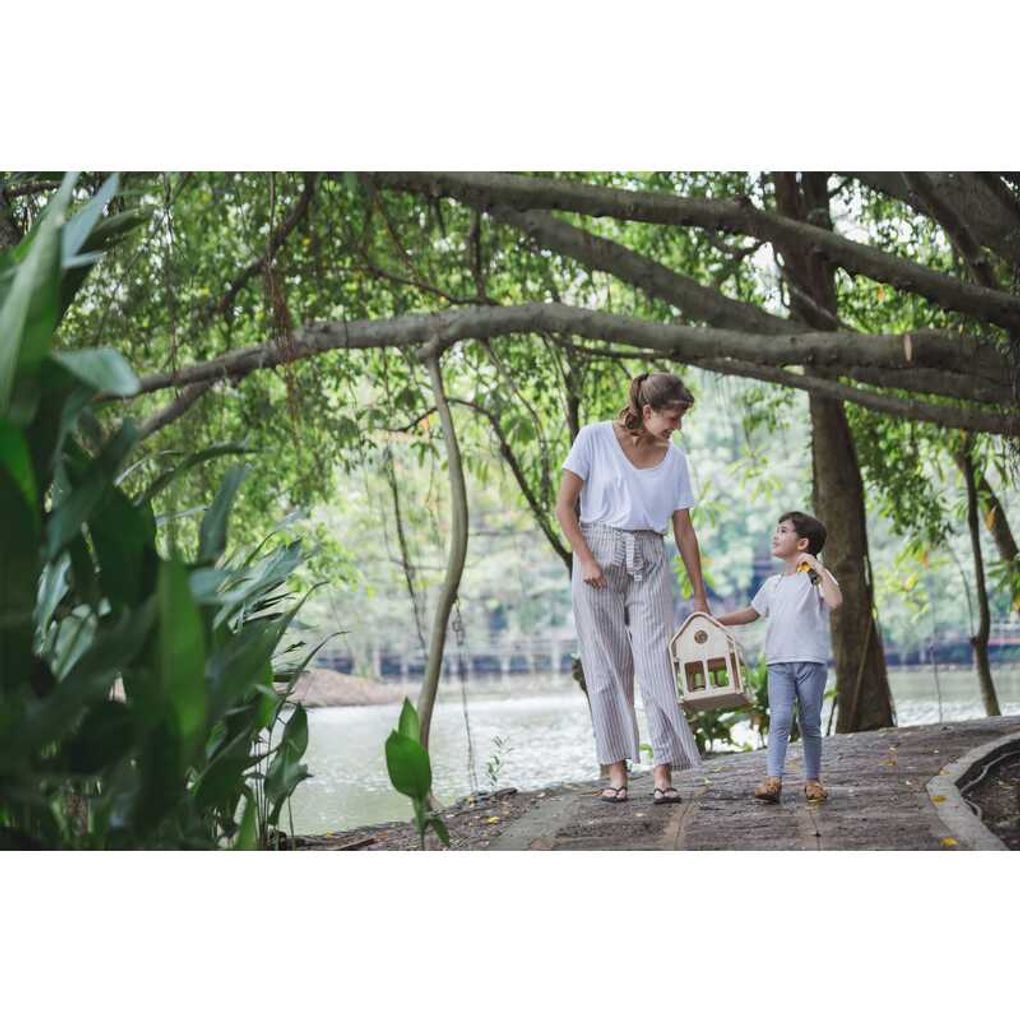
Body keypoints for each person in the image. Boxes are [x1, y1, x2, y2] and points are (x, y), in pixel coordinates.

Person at [555, 371, 709, 805]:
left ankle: (663, 773)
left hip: (649, 555)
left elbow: (684, 529)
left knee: (656, 661)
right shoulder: (594, 439)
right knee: (606, 666)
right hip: (597, 552)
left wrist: (699, 593)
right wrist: (585, 558)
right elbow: (564, 505)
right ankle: (617, 772)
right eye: (672, 417)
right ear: (647, 411)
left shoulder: (675, 461)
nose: (677, 427)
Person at [715, 511, 843, 803]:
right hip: (778, 663)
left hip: (810, 661)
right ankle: (773, 780)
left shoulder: (815, 579)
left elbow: (835, 601)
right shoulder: (772, 584)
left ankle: (813, 781)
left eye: (783, 531)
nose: (776, 535)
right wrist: (716, 620)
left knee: (809, 722)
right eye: (777, 530)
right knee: (781, 719)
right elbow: (751, 613)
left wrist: (817, 567)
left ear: (802, 543)